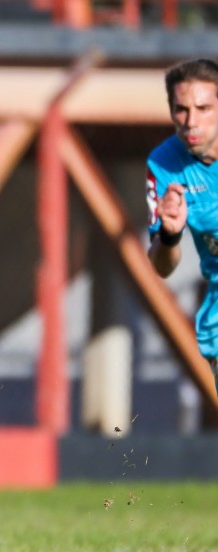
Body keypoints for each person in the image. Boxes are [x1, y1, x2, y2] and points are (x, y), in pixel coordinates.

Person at [147, 58, 218, 392]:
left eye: (203, 108)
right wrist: (170, 236)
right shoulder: (163, 164)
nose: (191, 122)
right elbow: (162, 266)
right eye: (181, 110)